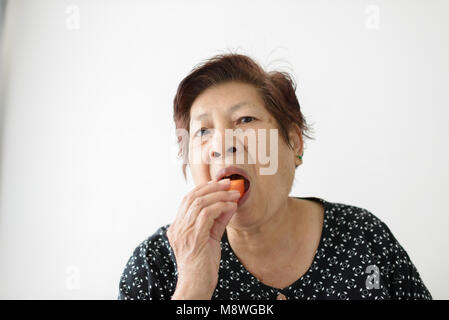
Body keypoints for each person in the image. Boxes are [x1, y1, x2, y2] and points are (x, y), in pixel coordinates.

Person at [118, 53, 432, 300]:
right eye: (202, 131)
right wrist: (192, 289)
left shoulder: (364, 238)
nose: (221, 145)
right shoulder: (154, 264)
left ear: (294, 142)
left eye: (244, 119)